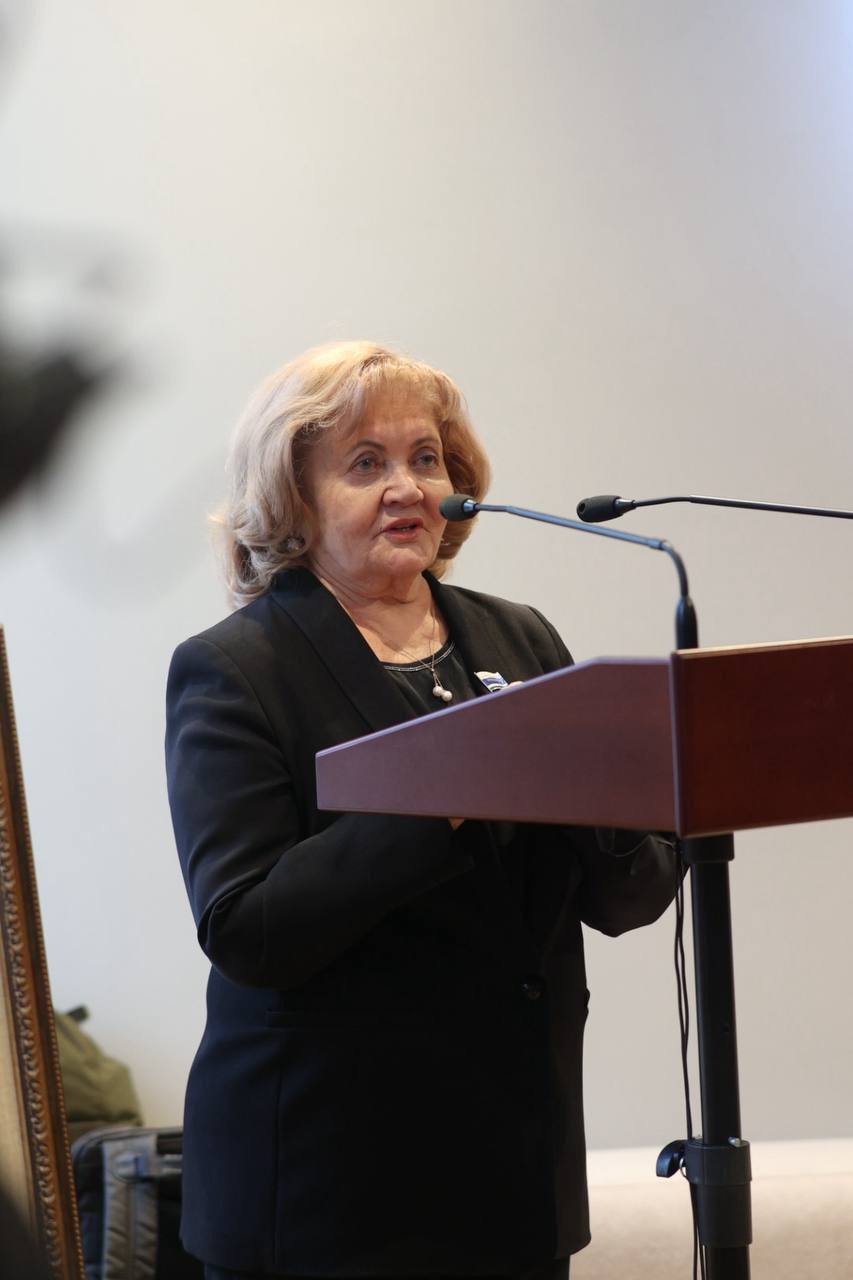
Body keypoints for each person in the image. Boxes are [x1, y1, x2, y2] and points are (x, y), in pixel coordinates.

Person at [165, 341, 679, 1280]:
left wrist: (643, 799)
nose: (406, 487)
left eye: (425, 458)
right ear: (293, 498)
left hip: (512, 1172)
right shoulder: (237, 669)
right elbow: (247, 928)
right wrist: (444, 794)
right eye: (365, 463)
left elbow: (623, 895)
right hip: (325, 1186)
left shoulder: (518, 637)